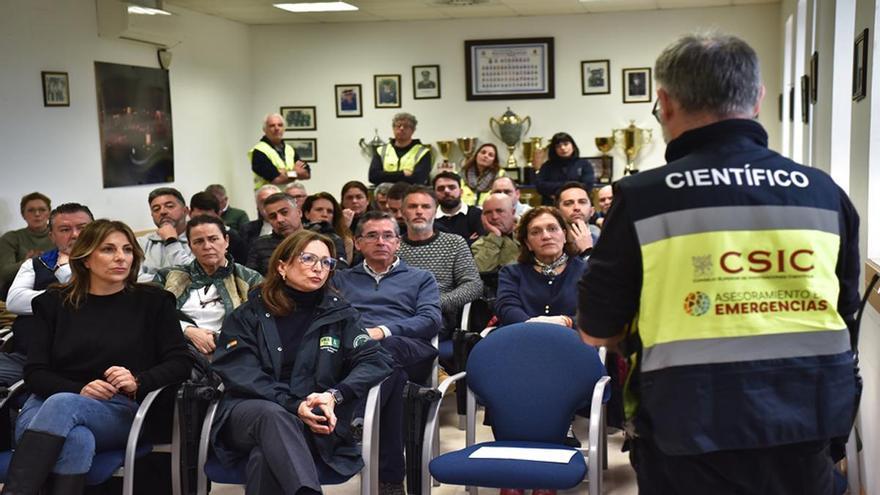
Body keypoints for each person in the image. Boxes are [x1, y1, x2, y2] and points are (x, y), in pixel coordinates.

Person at [577, 33, 860, 494]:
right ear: (759, 100)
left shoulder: (644, 197)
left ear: (665, 103)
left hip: (689, 428)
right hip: (807, 420)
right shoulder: (824, 193)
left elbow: (597, 329)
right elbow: (845, 314)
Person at [2, 219, 192, 494]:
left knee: (63, 405)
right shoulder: (52, 304)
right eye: (108, 250)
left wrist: (139, 379)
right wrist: (78, 389)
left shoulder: (154, 302)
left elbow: (181, 362)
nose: (120, 258)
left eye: (127, 250)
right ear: (86, 259)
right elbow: (34, 373)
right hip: (44, 406)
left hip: (116, 409)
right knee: (76, 439)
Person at [210, 230, 396, 495]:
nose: (319, 268)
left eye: (326, 262)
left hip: (312, 416)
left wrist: (334, 396)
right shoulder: (248, 315)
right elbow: (241, 372)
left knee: (264, 459)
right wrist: (293, 405)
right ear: (282, 266)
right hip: (248, 414)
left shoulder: (339, 314)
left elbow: (375, 360)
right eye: (308, 259)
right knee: (273, 415)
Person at [333, 211, 441, 492]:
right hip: (358, 352)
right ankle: (390, 481)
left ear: (398, 242)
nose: (380, 241)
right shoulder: (342, 279)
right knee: (394, 382)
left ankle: (356, 419)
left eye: (388, 235)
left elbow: (431, 319)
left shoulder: (421, 278)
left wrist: (384, 330)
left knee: (388, 351)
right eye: (371, 235)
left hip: (407, 346)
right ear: (357, 243)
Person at [0, 203, 93, 386]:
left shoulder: (110, 263)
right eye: (65, 229)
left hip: (78, 365)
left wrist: (65, 273)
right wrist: (62, 297)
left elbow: (85, 303)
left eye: (82, 228)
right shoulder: (37, 264)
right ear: (52, 236)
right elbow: (15, 301)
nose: (75, 235)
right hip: (24, 358)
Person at [153, 215, 263, 357]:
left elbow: (260, 324)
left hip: (234, 351)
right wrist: (187, 330)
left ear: (226, 241)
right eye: (199, 241)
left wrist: (217, 339)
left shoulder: (249, 279)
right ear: (190, 247)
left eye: (213, 239)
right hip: (178, 349)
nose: (207, 246)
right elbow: (152, 315)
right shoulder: (169, 276)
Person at [397, 186, 482, 340]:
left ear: (435, 211)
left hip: (438, 314)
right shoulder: (392, 246)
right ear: (402, 212)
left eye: (426, 206)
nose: (419, 211)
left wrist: (434, 303)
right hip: (396, 310)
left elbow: (473, 286)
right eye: (412, 206)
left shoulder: (454, 243)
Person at [495, 207, 584, 329]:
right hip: (523, 337)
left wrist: (567, 321)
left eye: (552, 229)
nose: (546, 236)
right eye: (536, 232)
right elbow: (506, 307)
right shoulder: (511, 273)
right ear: (527, 243)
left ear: (564, 235)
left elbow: (596, 313)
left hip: (574, 341)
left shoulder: (587, 271)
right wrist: (532, 327)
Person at [0, 192, 53, 299]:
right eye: (31, 210)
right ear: (23, 214)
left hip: (54, 291)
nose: (37, 214)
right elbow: (5, 273)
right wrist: (27, 263)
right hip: (17, 294)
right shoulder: (11, 238)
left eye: (42, 209)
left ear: (49, 213)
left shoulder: (61, 236)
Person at [137, 187, 194, 282]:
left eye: (170, 206)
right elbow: (135, 277)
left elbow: (195, 275)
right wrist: (166, 280)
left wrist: (171, 242)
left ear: (185, 211)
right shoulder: (142, 242)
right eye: (156, 209)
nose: (162, 212)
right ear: (152, 215)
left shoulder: (199, 240)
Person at [246, 193, 303, 276]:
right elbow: (250, 280)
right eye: (273, 217)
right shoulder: (260, 245)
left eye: (284, 212)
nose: (279, 220)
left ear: (299, 212)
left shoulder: (317, 241)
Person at [249, 113, 311, 190]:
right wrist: (295, 172)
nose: (276, 128)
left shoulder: (289, 149)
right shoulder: (259, 151)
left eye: (280, 125)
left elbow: (307, 174)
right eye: (272, 125)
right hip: (268, 197)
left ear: (284, 129)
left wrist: (285, 173)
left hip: (288, 196)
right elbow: (276, 179)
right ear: (264, 130)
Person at [368, 113, 432, 186]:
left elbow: (419, 179)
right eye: (398, 126)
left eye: (406, 126)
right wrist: (403, 173)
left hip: (411, 195)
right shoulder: (381, 150)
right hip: (386, 195)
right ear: (393, 129)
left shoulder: (423, 152)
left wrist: (386, 176)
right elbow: (373, 176)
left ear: (413, 130)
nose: (401, 128)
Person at [534, 132, 595, 204]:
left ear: (573, 146)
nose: (562, 148)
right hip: (552, 205)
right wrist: (571, 185)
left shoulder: (584, 164)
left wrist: (557, 188)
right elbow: (540, 186)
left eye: (566, 144)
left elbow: (587, 185)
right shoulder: (547, 166)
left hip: (578, 204)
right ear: (554, 149)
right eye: (558, 146)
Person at [189, 192, 248, 264]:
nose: (202, 224)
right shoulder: (178, 235)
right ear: (189, 214)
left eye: (208, 219)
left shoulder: (234, 239)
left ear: (218, 215)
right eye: (197, 218)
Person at [470, 193, 519, 273]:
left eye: (500, 211)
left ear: (513, 212)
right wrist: (495, 236)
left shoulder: (529, 234)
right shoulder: (479, 245)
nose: (494, 217)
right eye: (488, 212)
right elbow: (479, 270)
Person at [301, 192, 353, 266]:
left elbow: (342, 270)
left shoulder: (345, 241)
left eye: (330, 211)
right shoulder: (296, 237)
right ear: (307, 214)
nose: (325, 214)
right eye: (319, 210)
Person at [433, 172, 485, 244]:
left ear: (461, 192)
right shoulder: (430, 219)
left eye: (452, 187)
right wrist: (467, 241)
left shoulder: (477, 215)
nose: (446, 191)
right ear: (434, 194)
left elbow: (480, 246)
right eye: (441, 188)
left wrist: (445, 246)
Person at [555, 182, 601, 260]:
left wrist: (587, 252)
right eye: (568, 203)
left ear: (592, 211)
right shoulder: (551, 243)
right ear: (557, 212)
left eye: (582, 202)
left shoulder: (606, 244)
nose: (576, 207)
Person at [240, 185, 282, 249]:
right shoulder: (247, 229)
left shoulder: (290, 226)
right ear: (257, 206)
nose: (268, 205)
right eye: (263, 201)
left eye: (272, 200)